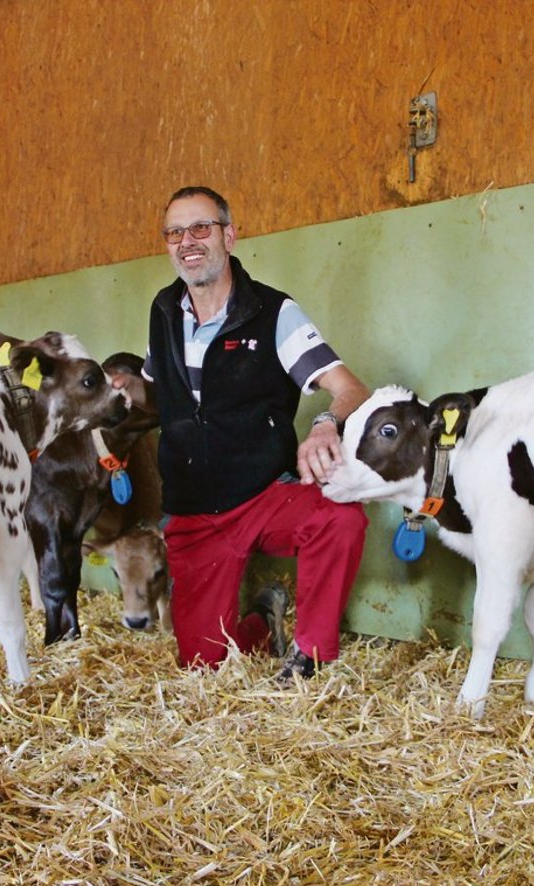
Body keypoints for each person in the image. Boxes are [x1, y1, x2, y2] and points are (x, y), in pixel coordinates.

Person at [142, 186, 371, 682]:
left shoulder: (273, 313)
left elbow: (351, 389)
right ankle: (263, 623)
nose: (188, 242)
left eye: (201, 228)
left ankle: (308, 658)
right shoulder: (162, 313)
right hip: (194, 511)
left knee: (340, 518)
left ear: (229, 235)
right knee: (202, 670)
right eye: (175, 233)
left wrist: (324, 424)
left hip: (264, 493)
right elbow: (150, 393)